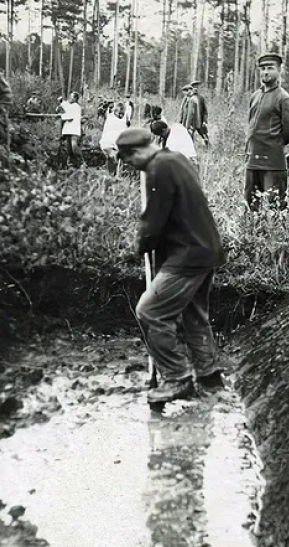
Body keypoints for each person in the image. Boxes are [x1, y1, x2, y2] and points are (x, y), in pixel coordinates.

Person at [115, 127, 227, 404]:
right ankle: (209, 378)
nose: (131, 166)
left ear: (138, 152)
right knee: (195, 315)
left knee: (150, 311)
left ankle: (177, 378)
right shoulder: (176, 158)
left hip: (187, 254)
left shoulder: (158, 168)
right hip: (206, 248)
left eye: (129, 160)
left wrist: (140, 246)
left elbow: (154, 220)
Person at [244, 51, 289, 211]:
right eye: (262, 68)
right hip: (252, 161)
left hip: (272, 164)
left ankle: (275, 236)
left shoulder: (283, 98)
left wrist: (272, 145)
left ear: (279, 70)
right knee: (251, 205)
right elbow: (251, 125)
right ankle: (254, 235)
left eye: (270, 68)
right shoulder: (255, 96)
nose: (265, 72)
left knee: (274, 208)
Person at [99, 102, 128, 174]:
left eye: (123, 114)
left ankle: (115, 175)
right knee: (113, 158)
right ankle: (112, 176)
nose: (121, 115)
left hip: (116, 144)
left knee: (117, 160)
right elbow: (111, 135)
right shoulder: (111, 119)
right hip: (108, 143)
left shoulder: (122, 121)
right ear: (115, 112)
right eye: (120, 113)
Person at [59, 91, 83, 168]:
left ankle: (82, 162)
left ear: (75, 98)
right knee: (69, 149)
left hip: (74, 129)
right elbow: (65, 106)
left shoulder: (76, 106)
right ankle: (72, 164)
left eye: (71, 97)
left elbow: (69, 117)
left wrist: (62, 116)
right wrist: (61, 101)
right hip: (68, 130)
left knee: (74, 146)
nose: (70, 98)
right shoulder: (71, 105)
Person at [185, 82, 210, 146]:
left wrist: (204, 121)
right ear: (191, 89)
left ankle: (209, 149)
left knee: (205, 137)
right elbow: (185, 112)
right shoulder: (188, 98)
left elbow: (205, 111)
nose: (195, 89)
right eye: (194, 87)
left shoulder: (201, 98)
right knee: (189, 138)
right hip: (191, 122)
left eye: (197, 87)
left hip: (200, 121)